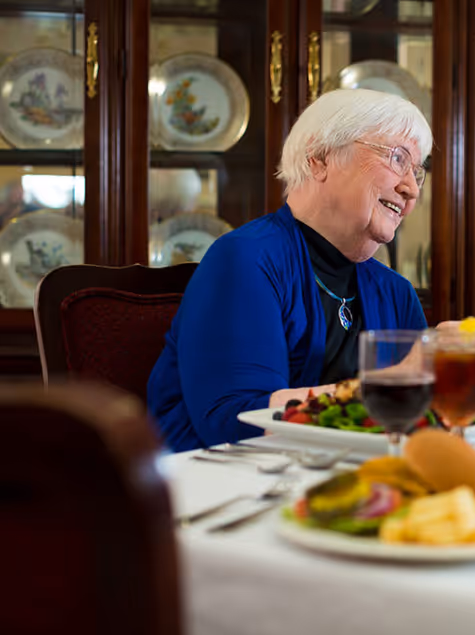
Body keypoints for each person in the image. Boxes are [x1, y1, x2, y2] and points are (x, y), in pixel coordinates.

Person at [148, 89, 433, 452]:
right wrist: (401, 380)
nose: (410, 188)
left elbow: (419, 416)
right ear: (319, 159)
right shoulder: (244, 259)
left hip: (341, 482)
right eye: (397, 158)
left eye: (417, 171)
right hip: (220, 492)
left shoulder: (395, 292)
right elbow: (236, 420)